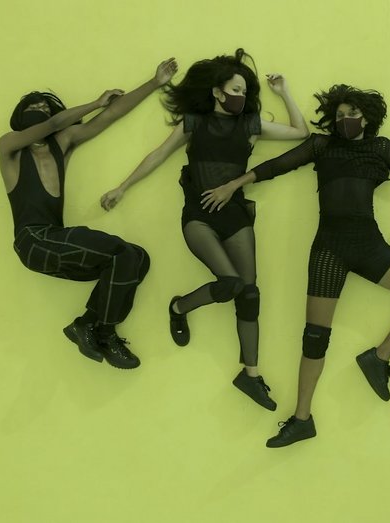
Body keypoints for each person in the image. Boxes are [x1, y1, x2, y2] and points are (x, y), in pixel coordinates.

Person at [200, 84, 390, 446]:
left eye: (350, 115)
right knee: (314, 338)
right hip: (329, 251)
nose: (344, 121)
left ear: (366, 117)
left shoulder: (382, 149)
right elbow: (277, 166)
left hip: (370, 247)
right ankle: (302, 418)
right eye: (338, 116)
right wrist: (233, 185)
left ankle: (379, 356)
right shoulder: (322, 145)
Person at [100, 49, 308, 408]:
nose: (241, 97)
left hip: (236, 215)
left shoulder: (251, 124)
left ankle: (251, 374)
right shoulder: (194, 122)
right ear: (217, 92)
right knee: (229, 284)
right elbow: (158, 155)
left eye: (245, 91)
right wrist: (122, 186)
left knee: (250, 294)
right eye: (235, 90)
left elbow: (300, 132)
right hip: (198, 214)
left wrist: (285, 91)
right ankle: (179, 307)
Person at [0, 58, 179, 369]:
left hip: (53, 238)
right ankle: (106, 332)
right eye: (33, 105)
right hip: (32, 240)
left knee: (136, 258)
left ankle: (87, 323)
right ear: (20, 115)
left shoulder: (63, 142)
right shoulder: (9, 146)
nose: (39, 108)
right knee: (121, 253)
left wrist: (154, 83)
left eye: (45, 106)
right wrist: (94, 102)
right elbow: (56, 123)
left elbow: (110, 116)